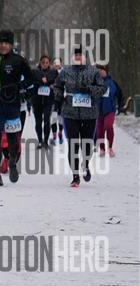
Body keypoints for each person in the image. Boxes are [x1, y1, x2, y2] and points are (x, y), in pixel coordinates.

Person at [0, 30, 33, 186]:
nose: (3, 46)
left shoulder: (18, 60)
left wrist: (19, 87)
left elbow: (31, 78)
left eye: (6, 43)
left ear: (11, 44)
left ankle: (12, 163)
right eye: (1, 43)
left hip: (12, 105)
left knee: (12, 138)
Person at [54, 47, 104, 187]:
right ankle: (75, 175)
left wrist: (89, 89)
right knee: (73, 144)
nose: (77, 57)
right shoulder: (66, 71)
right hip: (70, 113)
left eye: (80, 55)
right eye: (75, 55)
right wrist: (58, 97)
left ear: (84, 57)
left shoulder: (93, 71)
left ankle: (86, 164)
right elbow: (58, 86)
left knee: (87, 144)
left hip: (89, 114)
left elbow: (102, 88)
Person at [95, 65, 122, 157]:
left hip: (110, 110)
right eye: (98, 71)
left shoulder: (112, 83)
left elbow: (120, 95)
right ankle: (102, 149)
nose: (100, 72)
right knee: (99, 131)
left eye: (101, 70)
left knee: (108, 126)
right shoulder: (94, 83)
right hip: (98, 111)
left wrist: (120, 106)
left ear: (105, 71)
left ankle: (110, 148)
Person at [31, 55, 58, 148]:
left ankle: (45, 141)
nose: (45, 64)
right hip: (37, 100)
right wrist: (41, 81)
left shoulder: (53, 72)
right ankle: (39, 140)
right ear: (40, 62)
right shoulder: (35, 71)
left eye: (47, 62)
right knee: (38, 122)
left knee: (47, 120)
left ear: (49, 63)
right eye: (43, 62)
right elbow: (32, 82)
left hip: (48, 101)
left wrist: (51, 84)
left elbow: (56, 82)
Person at [49, 57, 65, 145]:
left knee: (60, 117)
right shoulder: (50, 72)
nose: (56, 65)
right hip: (53, 98)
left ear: (61, 64)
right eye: (55, 63)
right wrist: (49, 85)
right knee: (54, 117)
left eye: (58, 63)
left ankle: (60, 133)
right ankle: (54, 136)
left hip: (62, 98)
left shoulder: (64, 73)